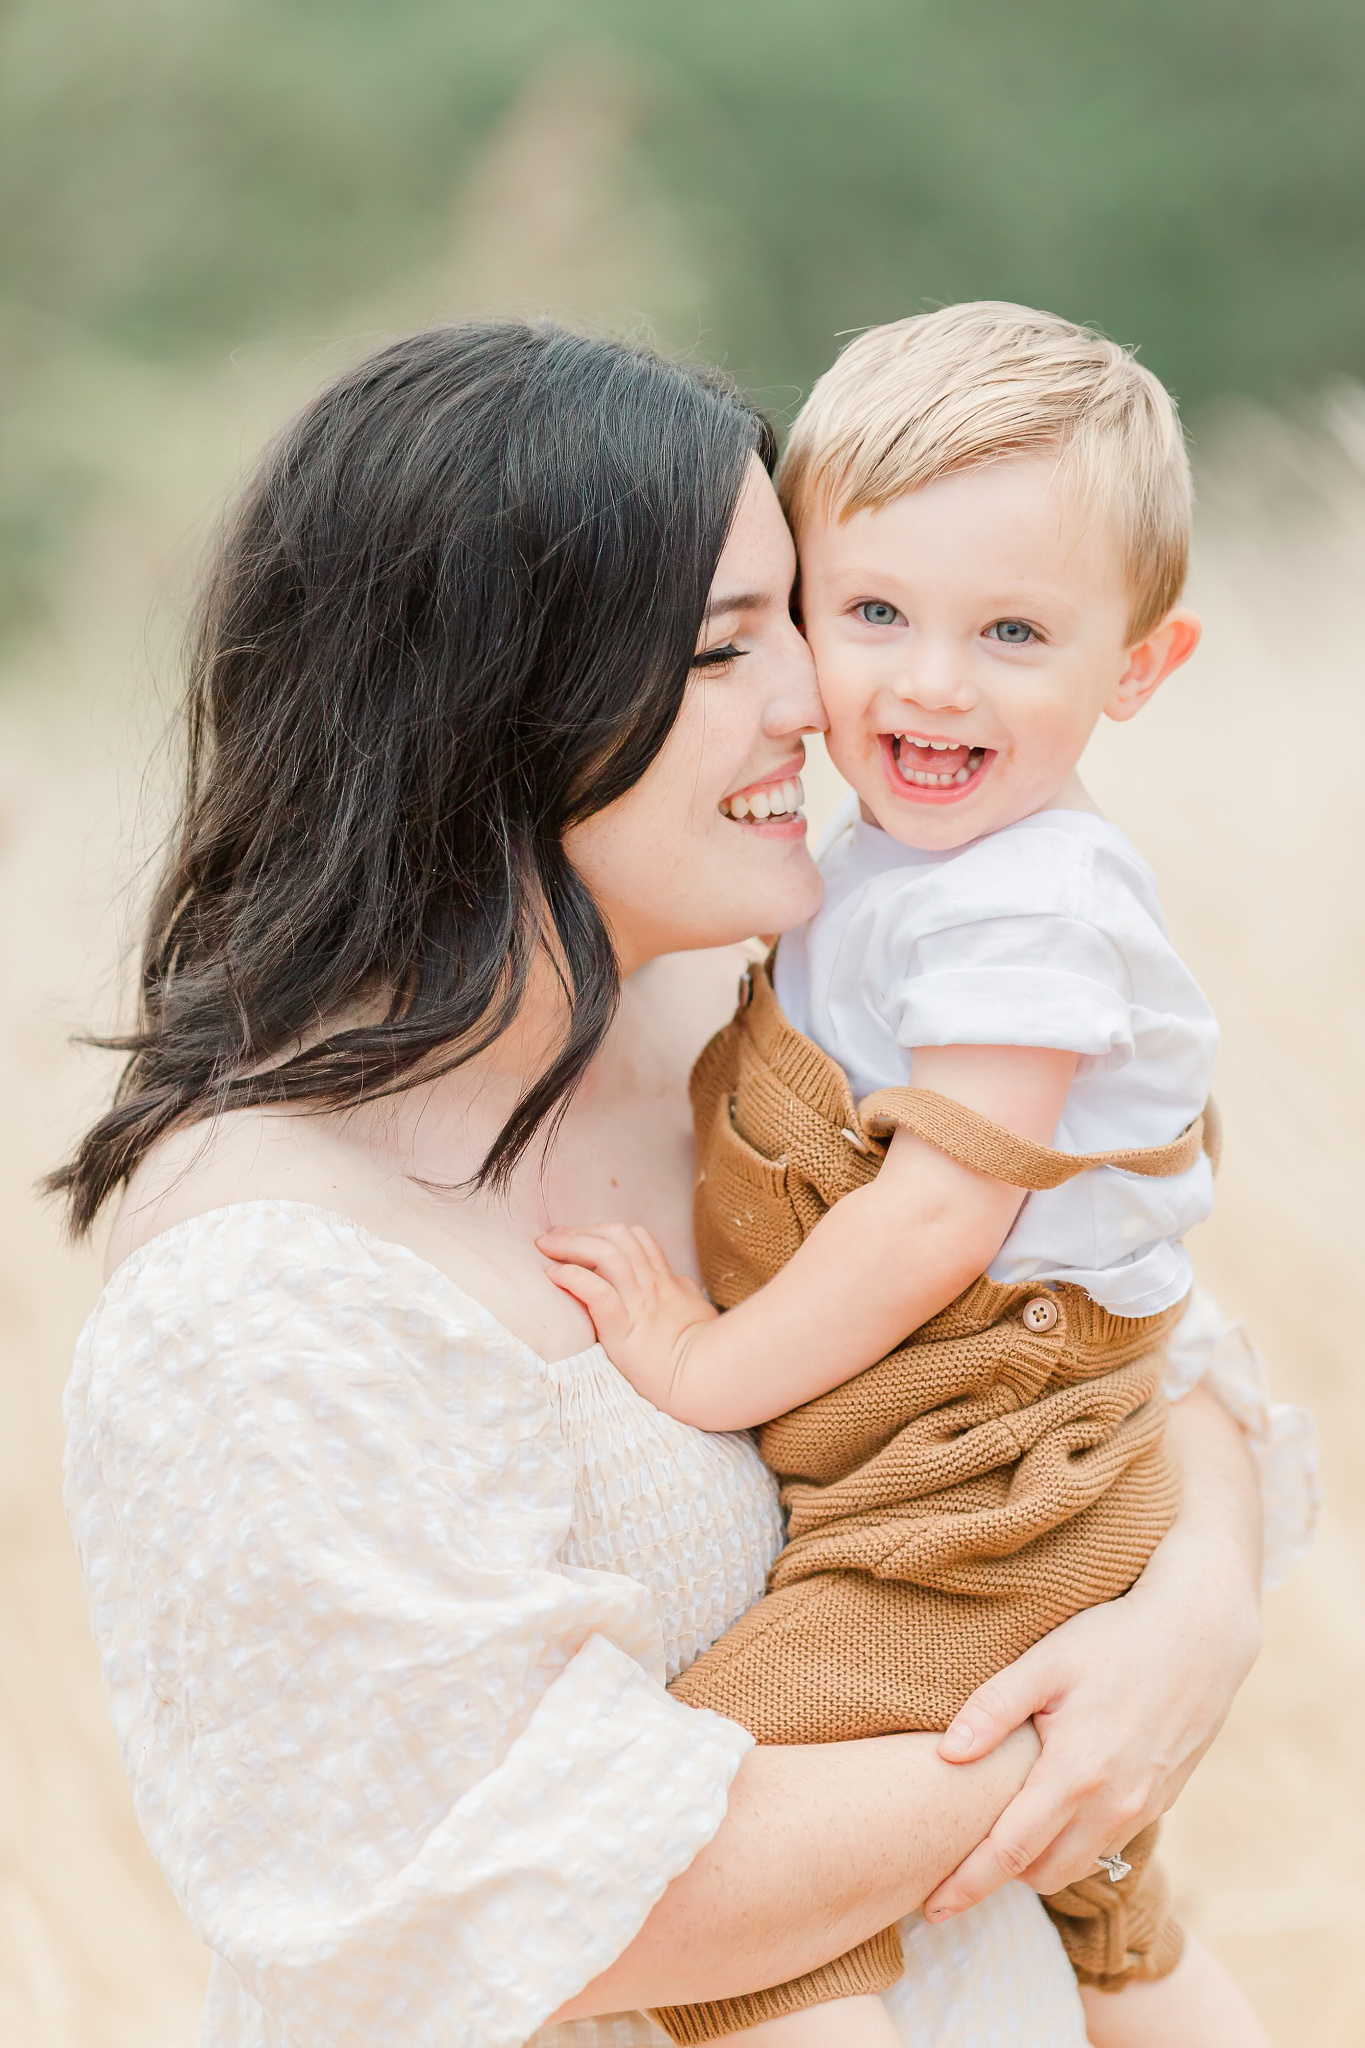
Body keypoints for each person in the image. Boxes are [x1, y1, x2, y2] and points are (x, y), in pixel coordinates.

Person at [53, 320, 1294, 2048]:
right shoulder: (266, 1291)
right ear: (492, 701)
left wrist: (1196, 1618)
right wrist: (1068, 1741)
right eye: (726, 648)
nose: (823, 693)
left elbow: (1131, 1326)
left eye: (800, 610)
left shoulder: (755, 1023)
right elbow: (518, 1895)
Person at [539, 306, 1315, 2047]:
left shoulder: (1018, 901)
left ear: (1137, 666)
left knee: (741, 1830)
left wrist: (698, 1368)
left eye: (1013, 632)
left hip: (979, 1471)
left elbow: (939, 1211)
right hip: (969, 1453)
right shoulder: (901, 858)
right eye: (871, 612)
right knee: (1105, 1905)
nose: (931, 682)